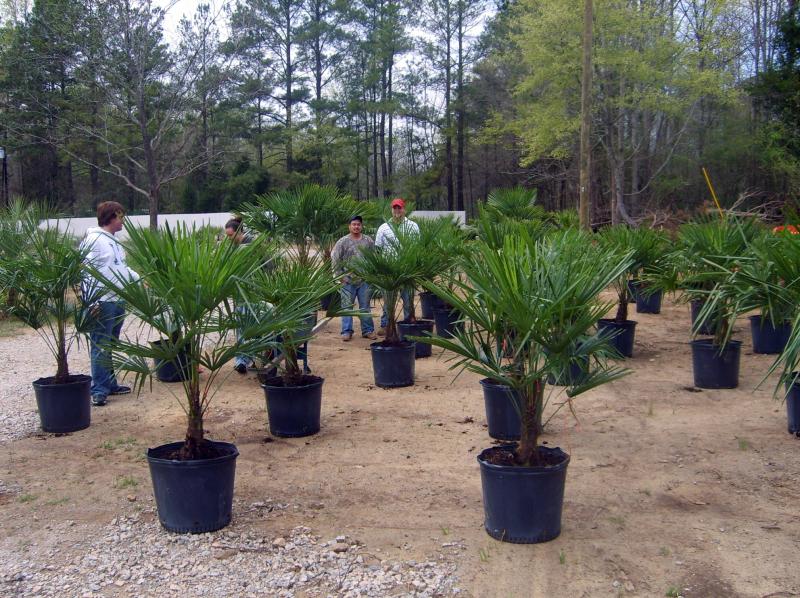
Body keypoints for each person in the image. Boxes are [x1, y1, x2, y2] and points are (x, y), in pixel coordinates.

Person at [81, 201, 140, 406]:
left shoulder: (114, 241)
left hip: (117, 299)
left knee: (110, 344)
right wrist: (91, 301)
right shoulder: (94, 240)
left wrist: (140, 279)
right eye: (121, 216)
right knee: (100, 344)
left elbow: (121, 268)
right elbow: (86, 273)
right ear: (112, 217)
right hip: (102, 301)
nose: (123, 220)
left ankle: (110, 383)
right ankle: (99, 389)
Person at [375, 198, 420, 335]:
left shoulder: (413, 226)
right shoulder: (383, 227)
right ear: (391, 210)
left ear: (404, 209)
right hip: (389, 270)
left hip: (407, 269)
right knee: (389, 300)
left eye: (399, 208)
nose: (397, 211)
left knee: (407, 300)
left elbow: (417, 247)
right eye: (394, 208)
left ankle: (407, 324)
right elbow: (378, 249)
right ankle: (386, 325)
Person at [331, 215, 377, 342]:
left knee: (365, 306)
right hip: (347, 280)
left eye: (358, 224)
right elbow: (335, 259)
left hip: (364, 280)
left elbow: (374, 258)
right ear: (349, 226)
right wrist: (339, 276)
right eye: (354, 224)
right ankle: (346, 331)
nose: (356, 226)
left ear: (361, 226)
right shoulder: (342, 242)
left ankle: (368, 330)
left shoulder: (368, 241)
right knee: (347, 307)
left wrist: (371, 275)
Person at [225, 218, 255, 374]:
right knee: (241, 327)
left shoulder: (252, 244)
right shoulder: (231, 246)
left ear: (239, 232)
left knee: (248, 326)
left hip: (252, 292)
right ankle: (242, 360)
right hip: (239, 293)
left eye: (230, 235)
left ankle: (245, 359)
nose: (228, 239)